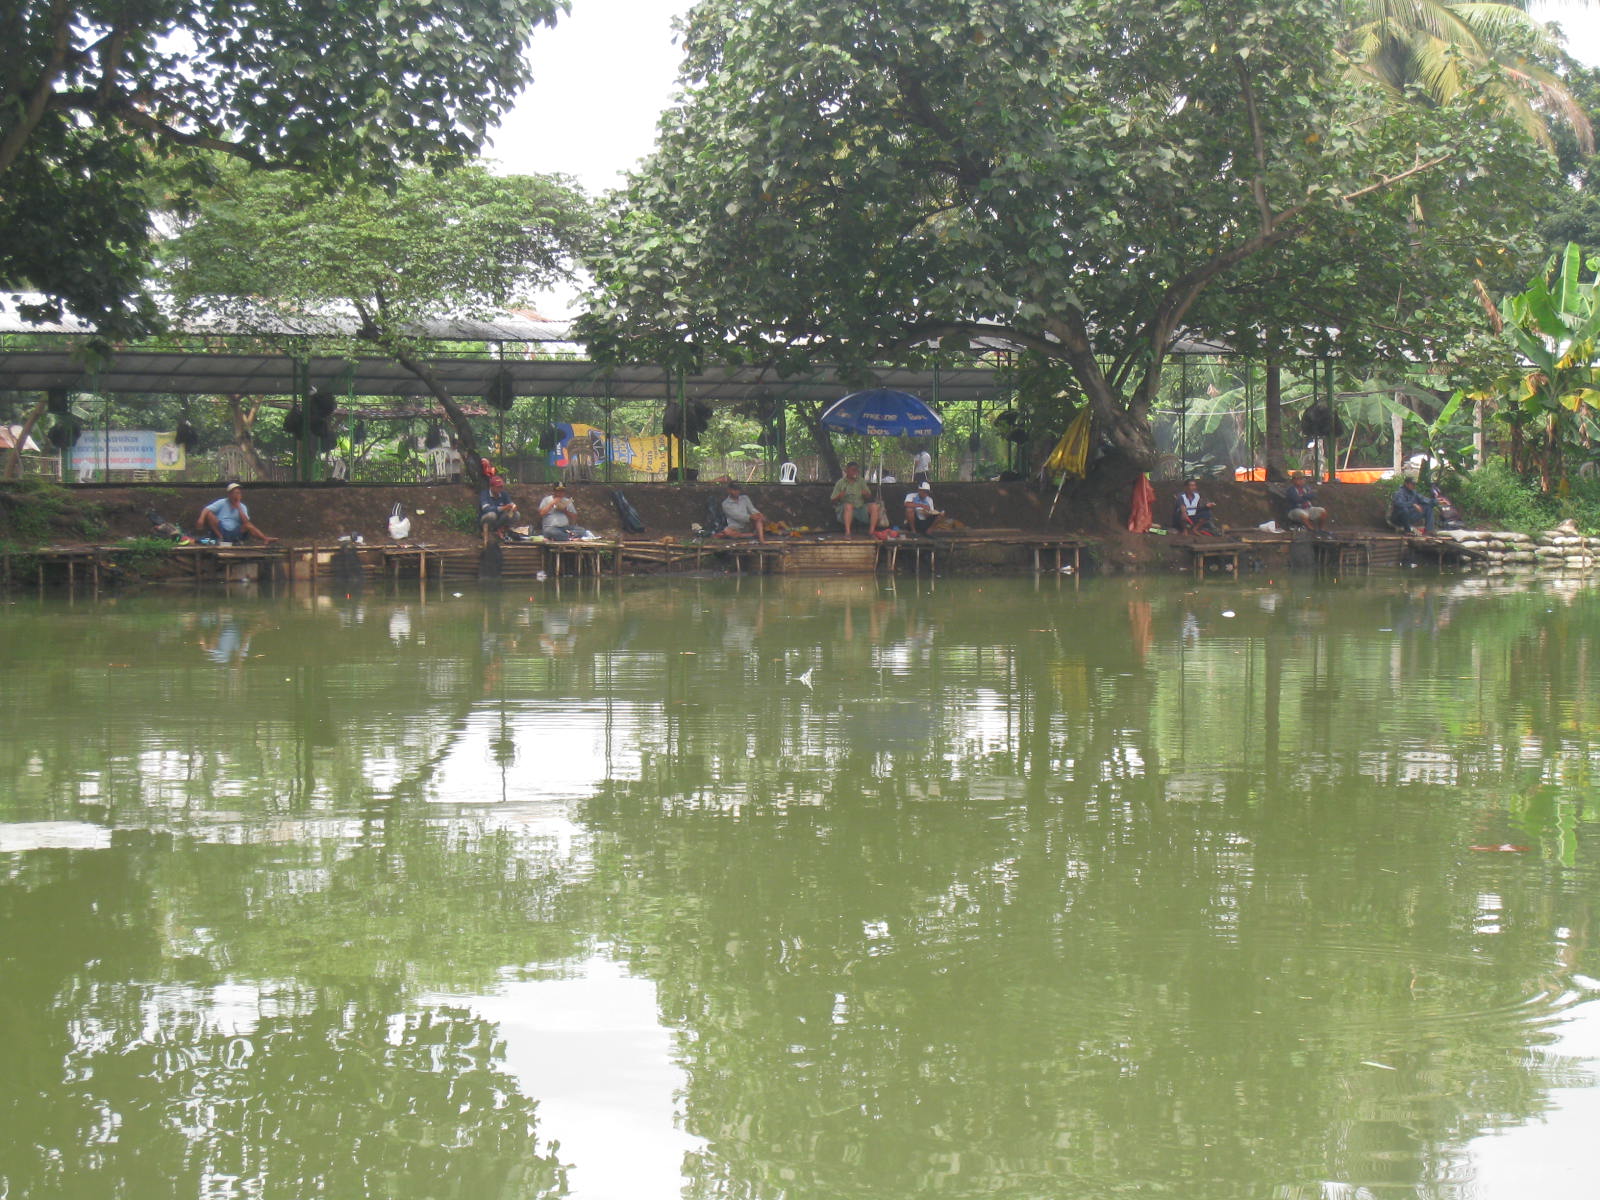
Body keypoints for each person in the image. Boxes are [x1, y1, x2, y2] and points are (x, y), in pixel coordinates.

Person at [196, 482, 277, 544]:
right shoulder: (222, 502)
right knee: (209, 514)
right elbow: (206, 509)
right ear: (229, 494)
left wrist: (238, 507)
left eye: (239, 493)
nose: (237, 495)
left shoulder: (242, 506)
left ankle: (265, 538)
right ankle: (221, 538)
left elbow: (246, 522)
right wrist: (201, 519)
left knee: (248, 525)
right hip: (221, 530)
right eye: (235, 493)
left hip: (235, 532)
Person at [829, 461, 883, 536]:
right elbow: (832, 499)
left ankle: (871, 531)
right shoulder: (840, 483)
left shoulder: (861, 481)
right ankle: (848, 532)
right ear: (847, 471)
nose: (855, 472)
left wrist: (866, 494)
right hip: (845, 509)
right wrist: (839, 496)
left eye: (856, 470)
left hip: (860, 507)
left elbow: (869, 496)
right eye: (853, 470)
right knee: (848, 506)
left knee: (874, 506)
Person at [480, 475, 521, 545]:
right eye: (498, 487)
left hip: (500, 520)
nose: (500, 489)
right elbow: (485, 509)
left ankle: (502, 529)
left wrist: (513, 507)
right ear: (492, 487)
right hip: (487, 519)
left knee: (516, 514)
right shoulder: (485, 494)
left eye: (501, 486)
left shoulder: (504, 494)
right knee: (492, 515)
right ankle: (487, 531)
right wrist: (503, 508)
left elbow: (510, 503)